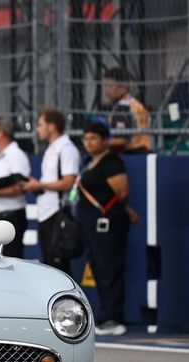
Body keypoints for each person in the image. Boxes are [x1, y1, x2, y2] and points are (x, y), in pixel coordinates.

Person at [78, 122, 137, 336]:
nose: (89, 143)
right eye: (86, 139)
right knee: (99, 268)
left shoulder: (111, 162)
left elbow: (122, 192)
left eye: (93, 138)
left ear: (105, 141)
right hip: (91, 223)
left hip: (107, 223)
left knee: (109, 268)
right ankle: (105, 316)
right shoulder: (89, 162)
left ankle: (114, 318)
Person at [23, 108, 80, 274]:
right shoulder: (51, 149)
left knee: (59, 267)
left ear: (52, 126)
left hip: (57, 212)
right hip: (46, 212)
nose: (38, 129)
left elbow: (69, 182)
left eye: (40, 125)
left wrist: (40, 185)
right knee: (50, 265)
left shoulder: (66, 148)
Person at [0, 117, 31, 258]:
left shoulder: (17, 156)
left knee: (9, 260)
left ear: (0, 134)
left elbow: (20, 188)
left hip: (11, 218)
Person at [103, 67, 152, 154]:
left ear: (124, 86)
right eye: (105, 86)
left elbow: (122, 140)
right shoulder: (135, 104)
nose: (106, 90)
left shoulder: (123, 107)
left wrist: (100, 143)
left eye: (110, 86)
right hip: (143, 151)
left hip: (131, 152)